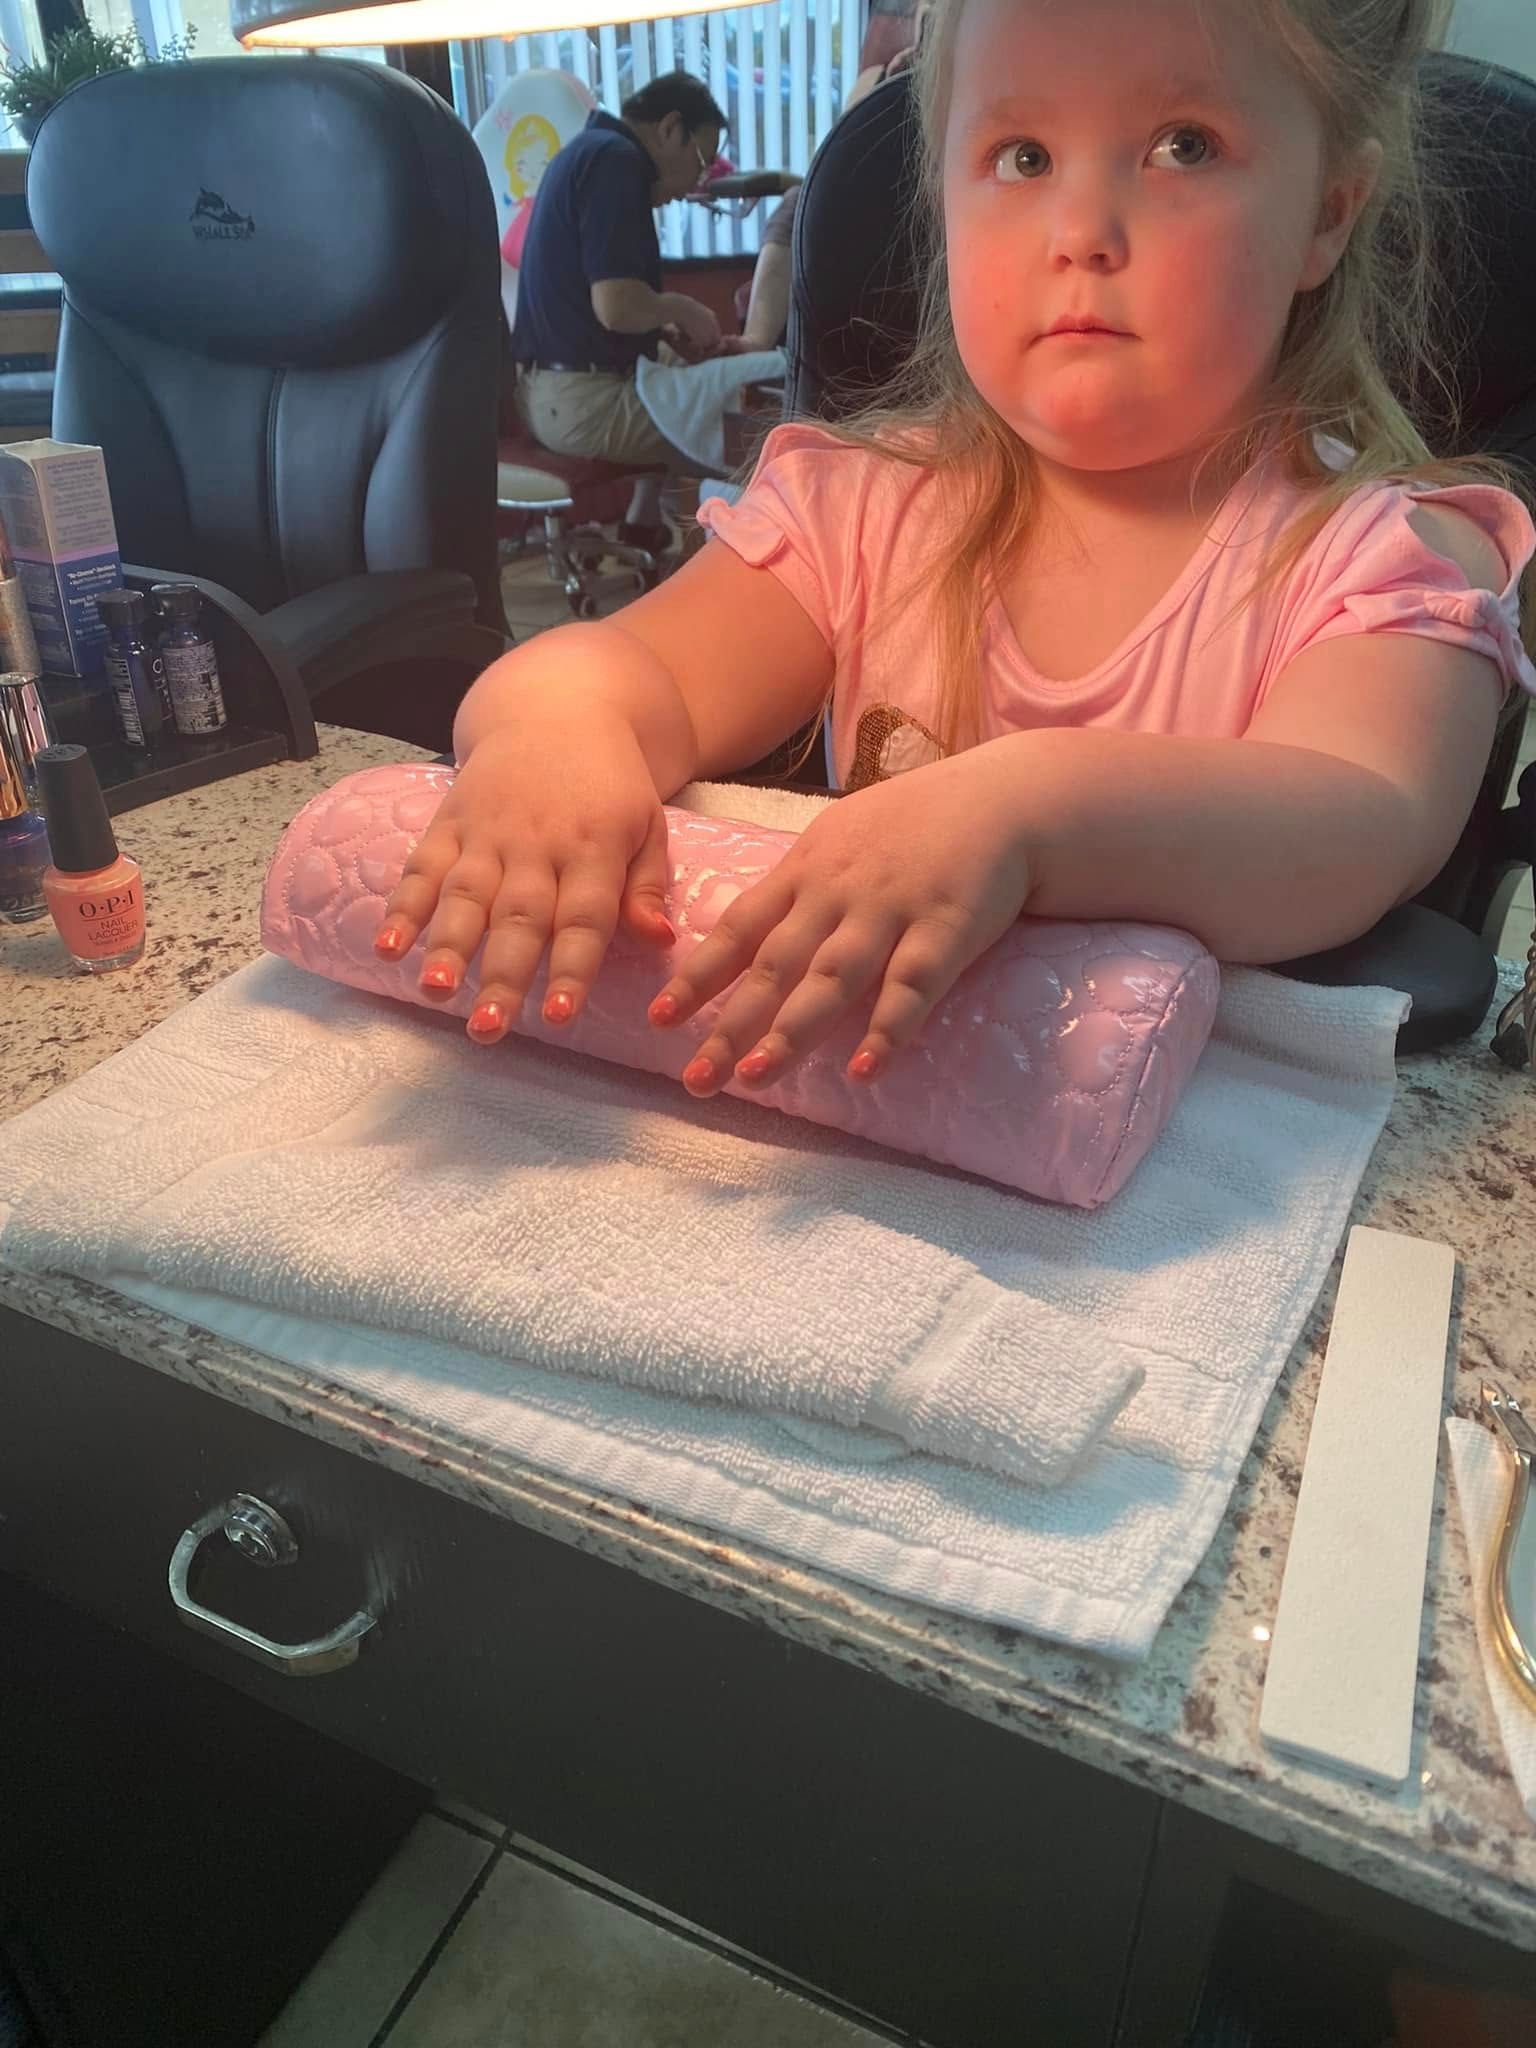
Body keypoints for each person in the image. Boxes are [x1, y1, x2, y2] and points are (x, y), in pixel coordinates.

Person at [380, 0, 1536, 1108]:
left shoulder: (1388, 563)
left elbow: (1358, 820)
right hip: (868, 1130)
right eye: (1022, 157)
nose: (1082, 233)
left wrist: (1026, 810)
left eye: (1184, 145)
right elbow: (625, 671)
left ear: (1329, 212)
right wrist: (555, 737)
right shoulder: (862, 509)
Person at [509, 70, 730, 548]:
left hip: (546, 391)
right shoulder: (617, 162)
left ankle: (643, 520)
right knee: (731, 434)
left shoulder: (588, 153)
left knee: (673, 377)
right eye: (701, 161)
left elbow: (607, 313)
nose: (697, 183)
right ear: (670, 129)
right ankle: (698, 596)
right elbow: (616, 308)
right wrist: (684, 309)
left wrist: (663, 328)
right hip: (578, 403)